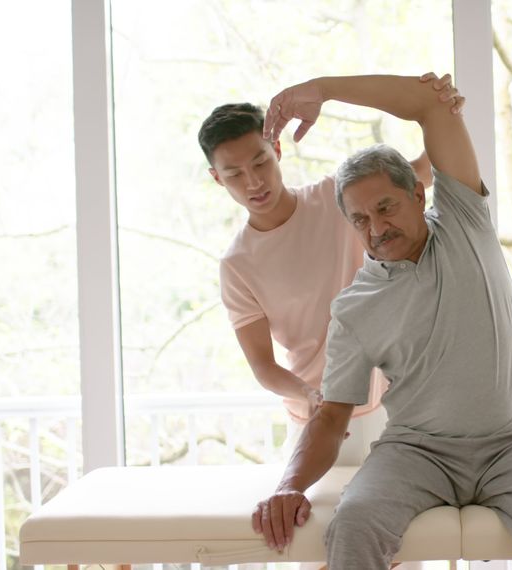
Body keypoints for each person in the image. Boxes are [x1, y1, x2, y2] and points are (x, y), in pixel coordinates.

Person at [251, 73, 512, 569]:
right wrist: (288, 486)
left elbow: (431, 106)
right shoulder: (354, 308)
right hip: (419, 454)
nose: (376, 227)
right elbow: (330, 419)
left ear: (418, 194)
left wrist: (322, 89)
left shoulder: (464, 222)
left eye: (385, 207)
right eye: (360, 219)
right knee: (353, 524)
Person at [197, 78, 464, 465]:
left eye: (259, 162)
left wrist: (446, 111)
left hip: (400, 403)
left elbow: (426, 169)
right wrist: (308, 395)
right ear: (217, 178)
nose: (253, 181)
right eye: (235, 173)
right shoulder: (237, 265)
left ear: (276, 150)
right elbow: (264, 366)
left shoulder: (336, 195)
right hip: (321, 420)